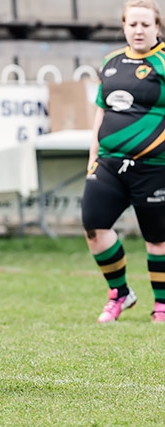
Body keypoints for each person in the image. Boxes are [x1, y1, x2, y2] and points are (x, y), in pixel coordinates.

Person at [82, 0, 165, 324]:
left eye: (146, 24)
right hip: (109, 164)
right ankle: (120, 293)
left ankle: (161, 305)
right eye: (133, 24)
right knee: (94, 226)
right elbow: (101, 112)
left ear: (157, 27)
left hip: (155, 167)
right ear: (124, 26)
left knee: (157, 239)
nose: (139, 30)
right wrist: (92, 157)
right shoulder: (112, 61)